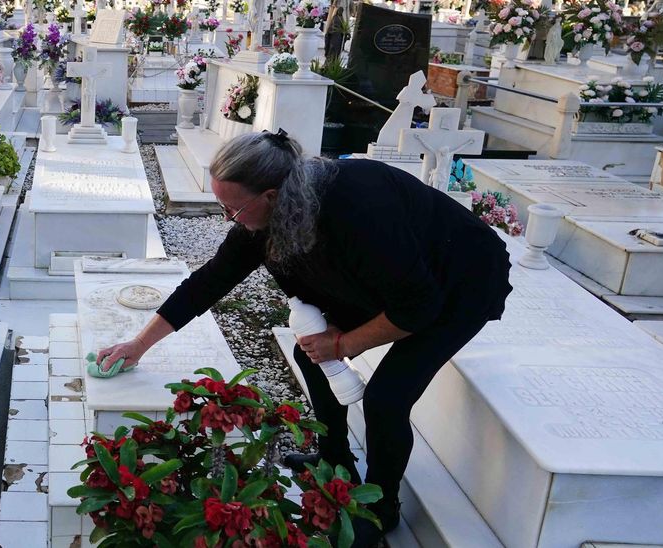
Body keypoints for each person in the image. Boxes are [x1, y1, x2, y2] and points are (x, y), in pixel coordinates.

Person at [95, 131, 512, 546]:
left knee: (387, 398)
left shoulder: (359, 208)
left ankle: (381, 508)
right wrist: (138, 345)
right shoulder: (263, 217)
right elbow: (210, 282)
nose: (227, 219)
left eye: (232, 209)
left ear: (272, 196)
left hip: (460, 282)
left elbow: (417, 307)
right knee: (308, 350)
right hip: (390, 281)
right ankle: (336, 461)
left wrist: (345, 345)